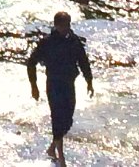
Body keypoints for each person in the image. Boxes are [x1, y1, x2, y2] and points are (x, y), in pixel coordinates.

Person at [26, 11, 94, 164]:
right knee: (57, 118)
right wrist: (34, 86)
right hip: (54, 84)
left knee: (68, 120)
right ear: (56, 25)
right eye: (62, 26)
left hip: (69, 84)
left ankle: (52, 147)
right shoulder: (47, 42)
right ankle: (61, 157)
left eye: (68, 25)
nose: (65, 29)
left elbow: (83, 61)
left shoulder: (74, 41)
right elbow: (31, 63)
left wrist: (89, 81)